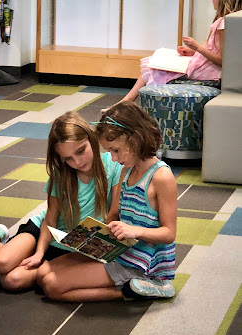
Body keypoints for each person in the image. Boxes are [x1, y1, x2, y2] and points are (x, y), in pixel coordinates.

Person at [36, 101, 177, 302]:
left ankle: (137, 290)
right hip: (120, 249)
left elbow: (169, 233)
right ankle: (131, 287)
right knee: (42, 274)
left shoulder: (162, 177)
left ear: (135, 139)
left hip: (142, 262)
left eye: (115, 150)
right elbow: (113, 214)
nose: (111, 157)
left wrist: (135, 231)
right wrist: (90, 240)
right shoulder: (126, 170)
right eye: (108, 151)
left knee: (52, 286)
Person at [0, 111, 122, 291]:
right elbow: (50, 219)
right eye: (68, 158)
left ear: (91, 139)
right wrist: (39, 253)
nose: (77, 162)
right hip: (48, 233)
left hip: (78, 245)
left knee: (12, 280)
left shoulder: (114, 165)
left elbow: (113, 215)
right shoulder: (61, 176)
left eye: (80, 151)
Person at [106, 0, 242, 107]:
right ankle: (127, 102)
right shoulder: (224, 22)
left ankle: (127, 102)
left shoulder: (223, 24)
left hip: (209, 71)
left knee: (153, 67)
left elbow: (224, 60)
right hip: (206, 66)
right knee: (155, 60)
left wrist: (198, 48)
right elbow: (216, 51)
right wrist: (193, 52)